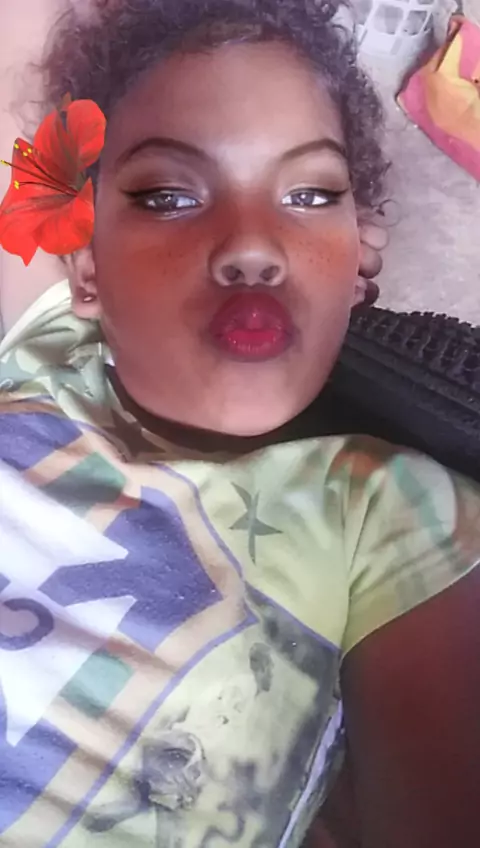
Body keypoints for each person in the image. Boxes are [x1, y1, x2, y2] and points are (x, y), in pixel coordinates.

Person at [0, 2, 478, 847]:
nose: (254, 244)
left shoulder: (390, 513)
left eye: (310, 193)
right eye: (169, 194)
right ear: (86, 270)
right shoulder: (38, 348)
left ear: (359, 262)